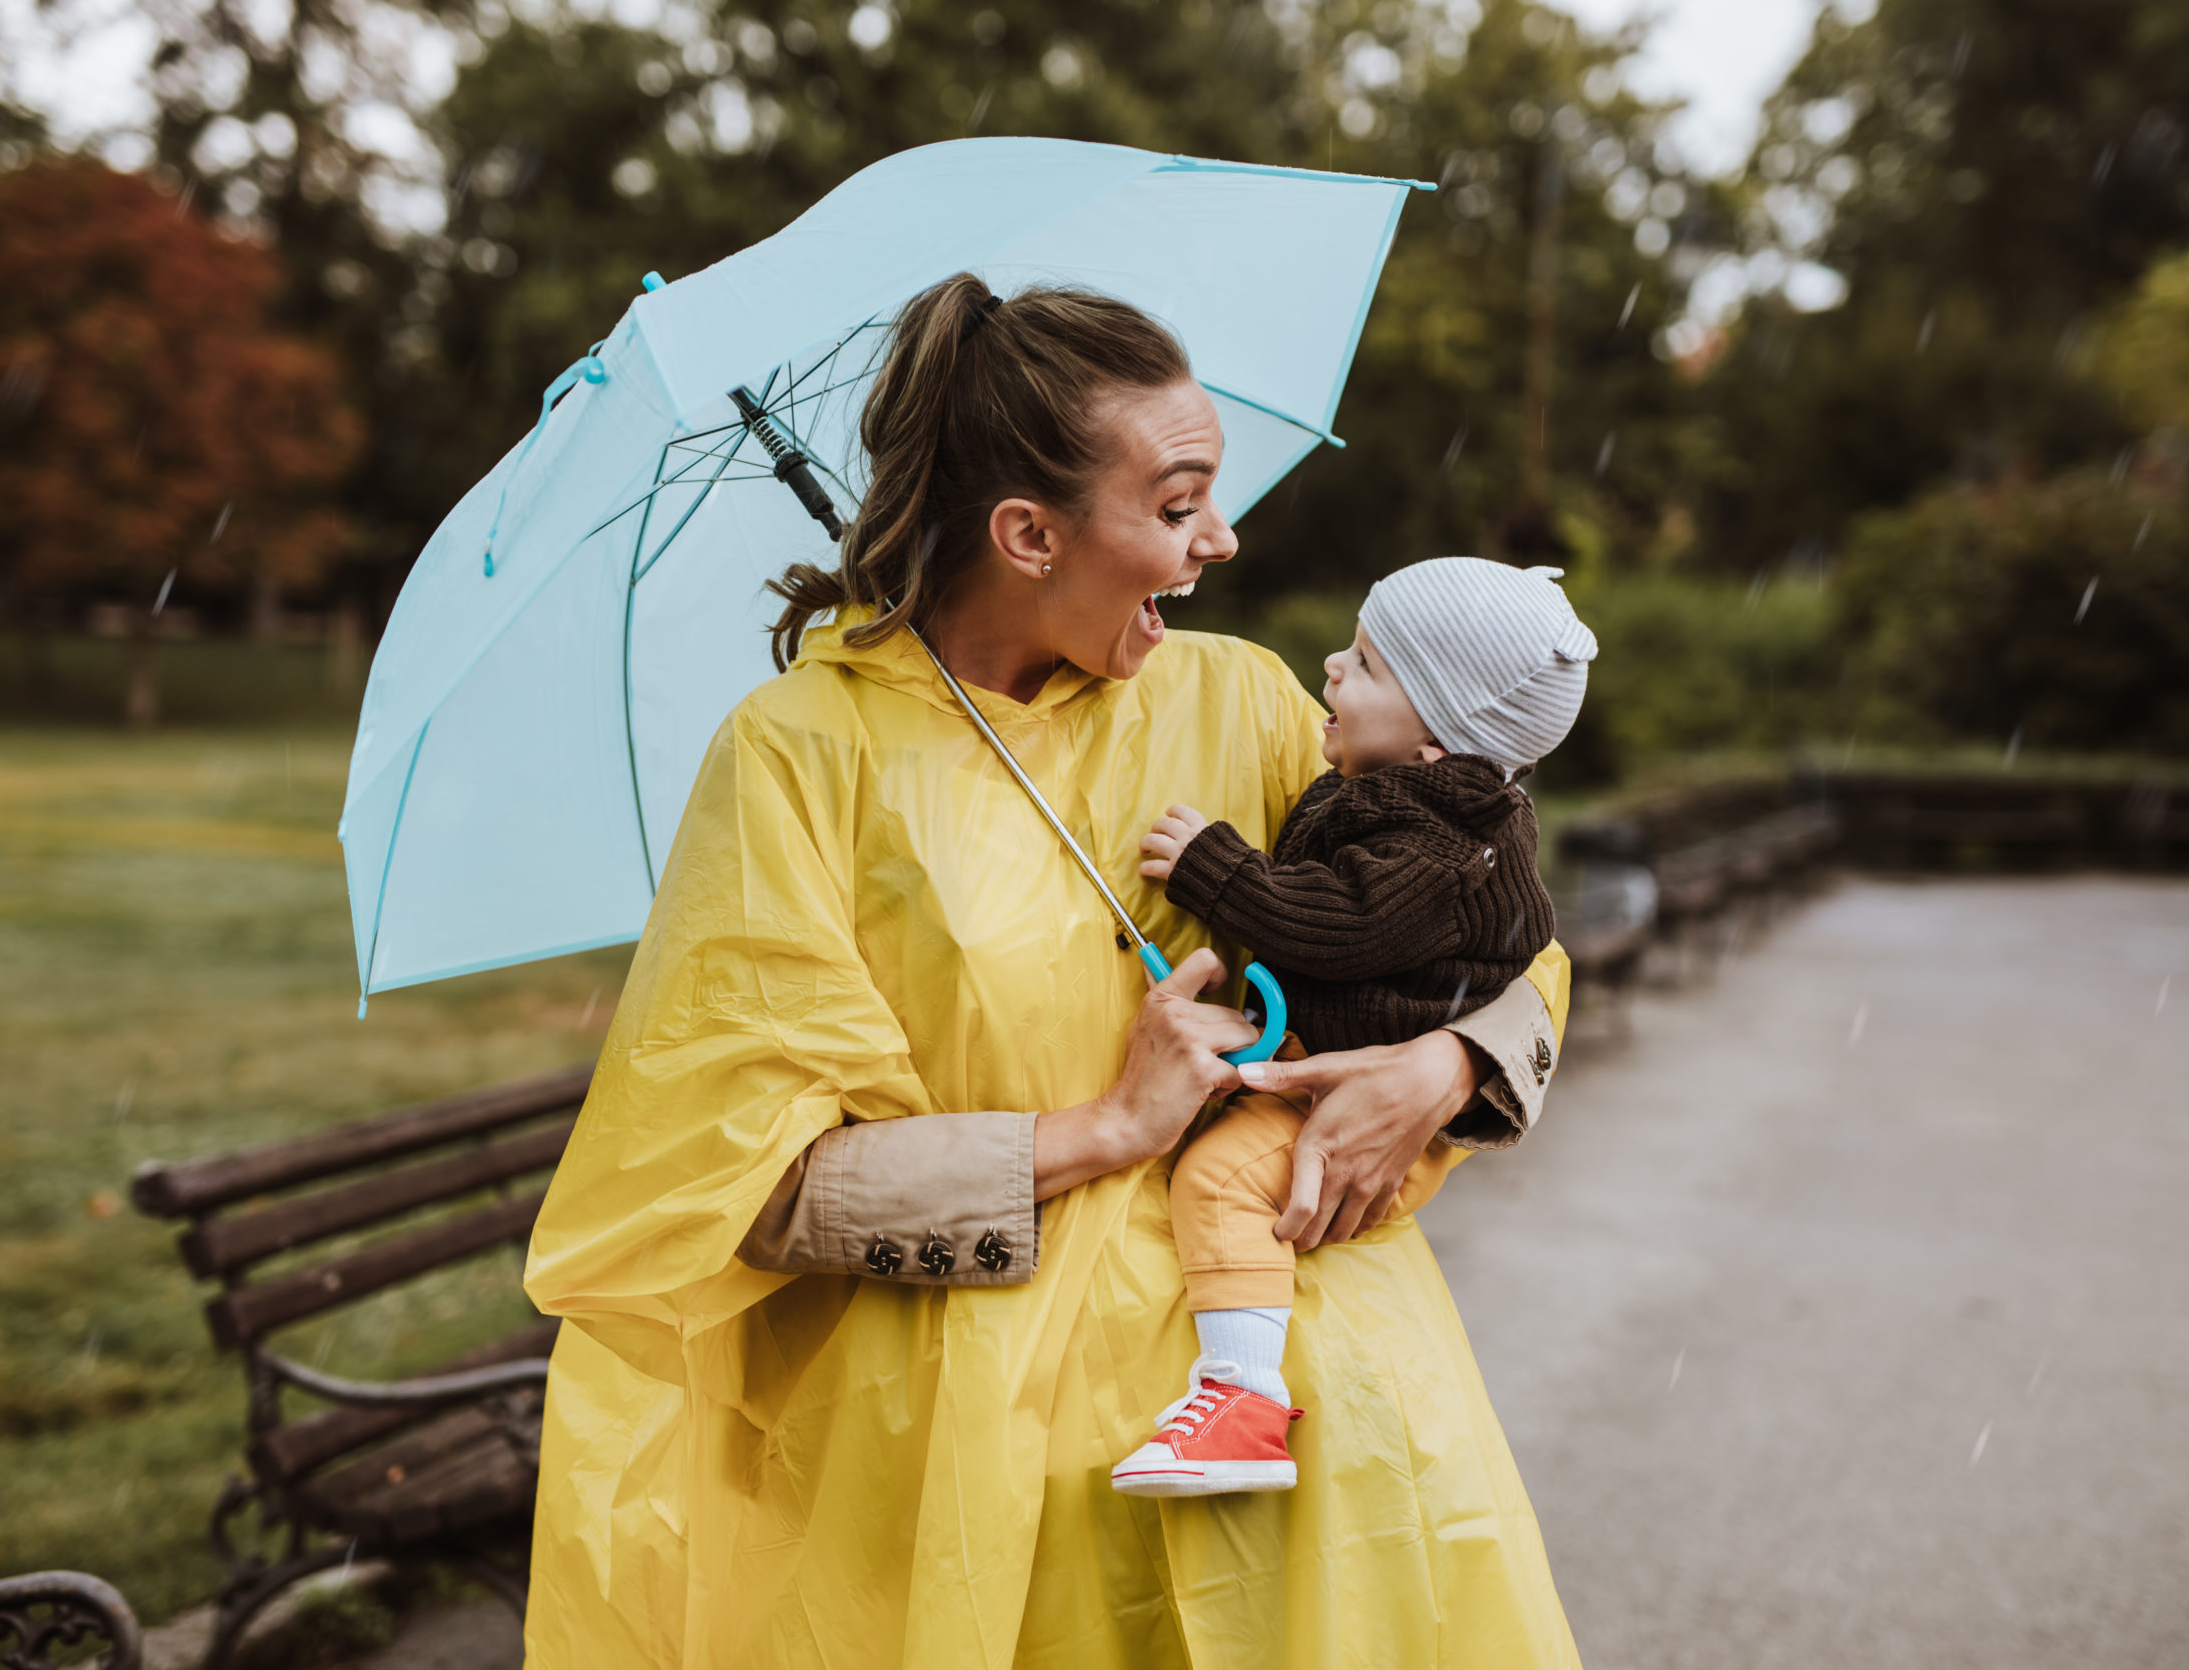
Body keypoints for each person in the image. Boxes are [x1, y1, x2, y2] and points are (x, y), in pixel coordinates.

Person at [520, 273, 1585, 1670]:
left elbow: (1504, 932)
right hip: (968, 1467)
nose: (1226, 535)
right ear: (1029, 531)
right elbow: (744, 1185)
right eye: (1179, 501)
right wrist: (1106, 1130)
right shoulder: (796, 757)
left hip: (1299, 1442)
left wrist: (1445, 1066)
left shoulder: (1245, 698)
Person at [1109, 558, 1596, 1497]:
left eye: (1368, 665)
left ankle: (1243, 1402)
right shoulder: (1392, 789)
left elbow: (1335, 920)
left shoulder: (1439, 848)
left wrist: (1220, 871)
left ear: (1436, 743)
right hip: (1316, 1067)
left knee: (1219, 1184)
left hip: (1336, 1107)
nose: (1332, 666)